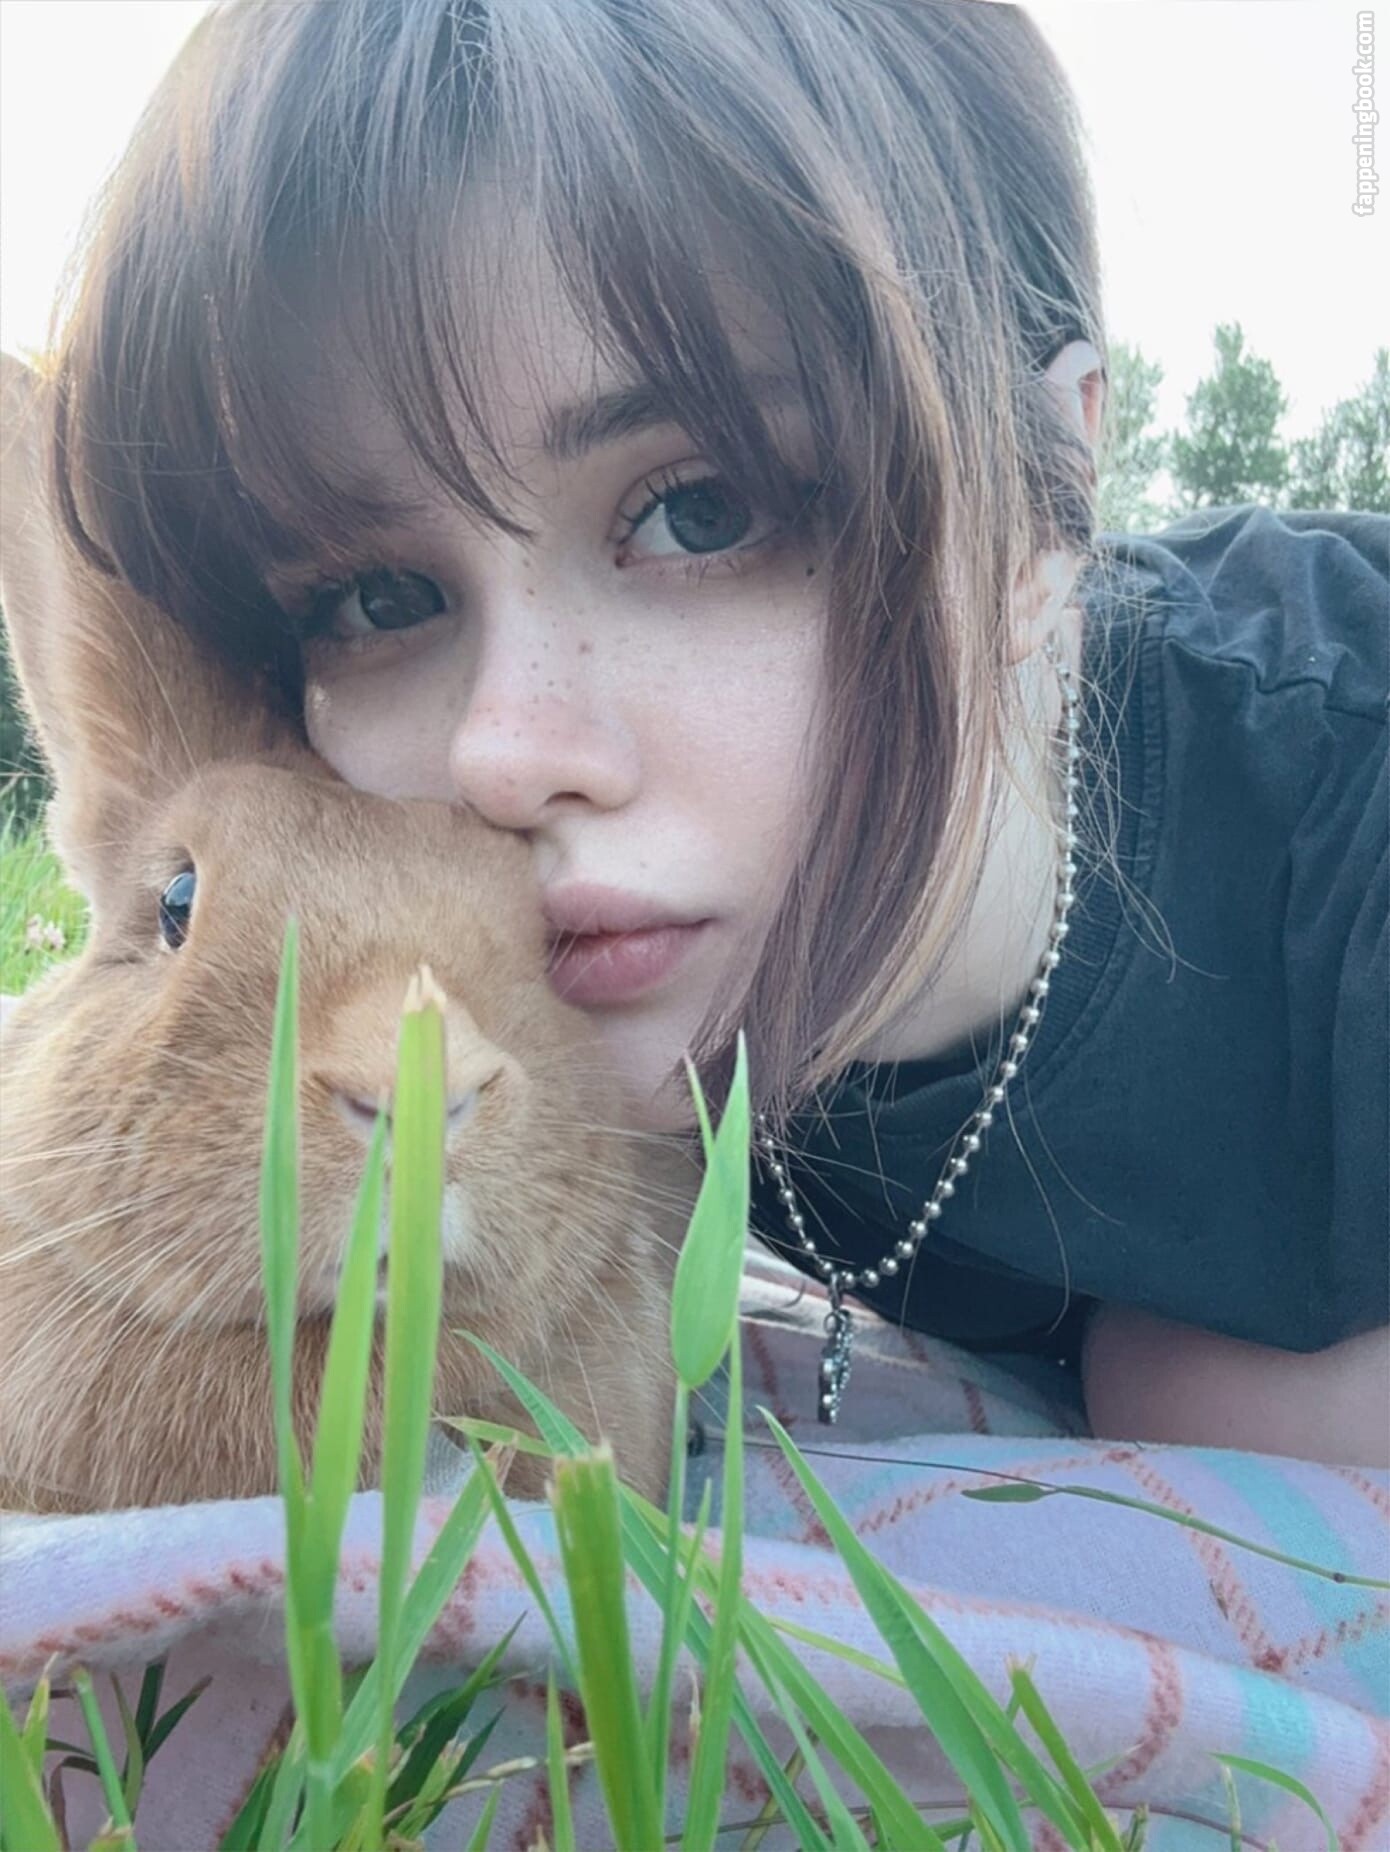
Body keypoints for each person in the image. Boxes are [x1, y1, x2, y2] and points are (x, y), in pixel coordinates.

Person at [40, 0, 1387, 1464]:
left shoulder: (1345, 828)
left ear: (1046, 486)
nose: (501, 752)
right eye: (377, 597)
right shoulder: (552, 983)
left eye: (702, 510)